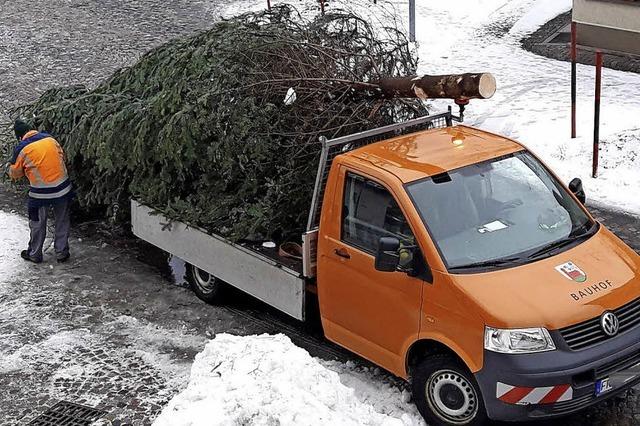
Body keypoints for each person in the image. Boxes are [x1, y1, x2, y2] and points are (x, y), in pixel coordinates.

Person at [6, 119, 73, 263]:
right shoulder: (50, 139)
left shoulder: (22, 148)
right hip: (63, 188)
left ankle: (34, 254)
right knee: (62, 219)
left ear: (19, 137)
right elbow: (63, 157)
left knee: (37, 221)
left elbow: (15, 173)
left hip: (40, 194)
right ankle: (62, 252)